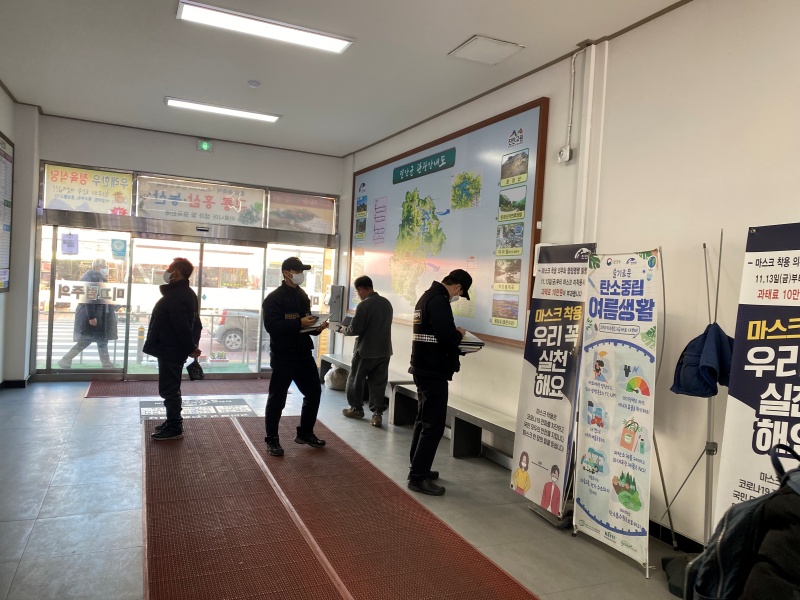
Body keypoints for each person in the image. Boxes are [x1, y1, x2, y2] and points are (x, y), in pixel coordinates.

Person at [407, 268, 472, 496]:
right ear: (457, 287)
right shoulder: (439, 301)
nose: (457, 297)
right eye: (460, 294)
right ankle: (418, 477)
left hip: (422, 367)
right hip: (432, 370)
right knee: (433, 425)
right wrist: (459, 334)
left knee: (423, 420)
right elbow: (446, 337)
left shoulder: (426, 297)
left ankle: (417, 466)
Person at [262, 257, 329, 457]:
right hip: (283, 355)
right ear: (286, 273)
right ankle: (272, 439)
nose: (301, 274)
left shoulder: (302, 295)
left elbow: (305, 325)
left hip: (303, 354)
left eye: (302, 271)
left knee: (314, 392)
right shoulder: (273, 299)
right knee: (277, 398)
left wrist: (317, 327)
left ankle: (305, 433)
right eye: (297, 271)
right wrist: (299, 322)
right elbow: (272, 326)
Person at [142, 258, 202, 441]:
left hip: (171, 349)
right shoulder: (184, 293)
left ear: (177, 273)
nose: (167, 272)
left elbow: (182, 326)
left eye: (170, 269)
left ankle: (175, 426)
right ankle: (172, 421)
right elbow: (194, 324)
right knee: (171, 387)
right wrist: (191, 346)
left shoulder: (178, 295)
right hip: (171, 348)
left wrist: (190, 347)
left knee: (169, 389)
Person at [339, 275, 394, 428]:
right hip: (384, 350)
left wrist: (343, 329)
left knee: (355, 380)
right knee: (378, 383)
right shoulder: (386, 303)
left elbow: (354, 329)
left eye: (358, 292)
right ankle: (377, 415)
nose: (359, 295)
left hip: (365, 350)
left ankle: (356, 409)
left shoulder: (363, 306)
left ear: (361, 289)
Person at [58, 258, 119, 369]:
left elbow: (105, 296)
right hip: (93, 315)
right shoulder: (90, 278)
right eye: (104, 267)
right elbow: (88, 298)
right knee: (88, 340)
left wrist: (116, 306)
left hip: (99, 314)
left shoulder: (99, 279)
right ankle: (66, 359)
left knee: (100, 339)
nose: (106, 269)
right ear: (97, 267)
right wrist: (91, 316)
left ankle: (106, 364)